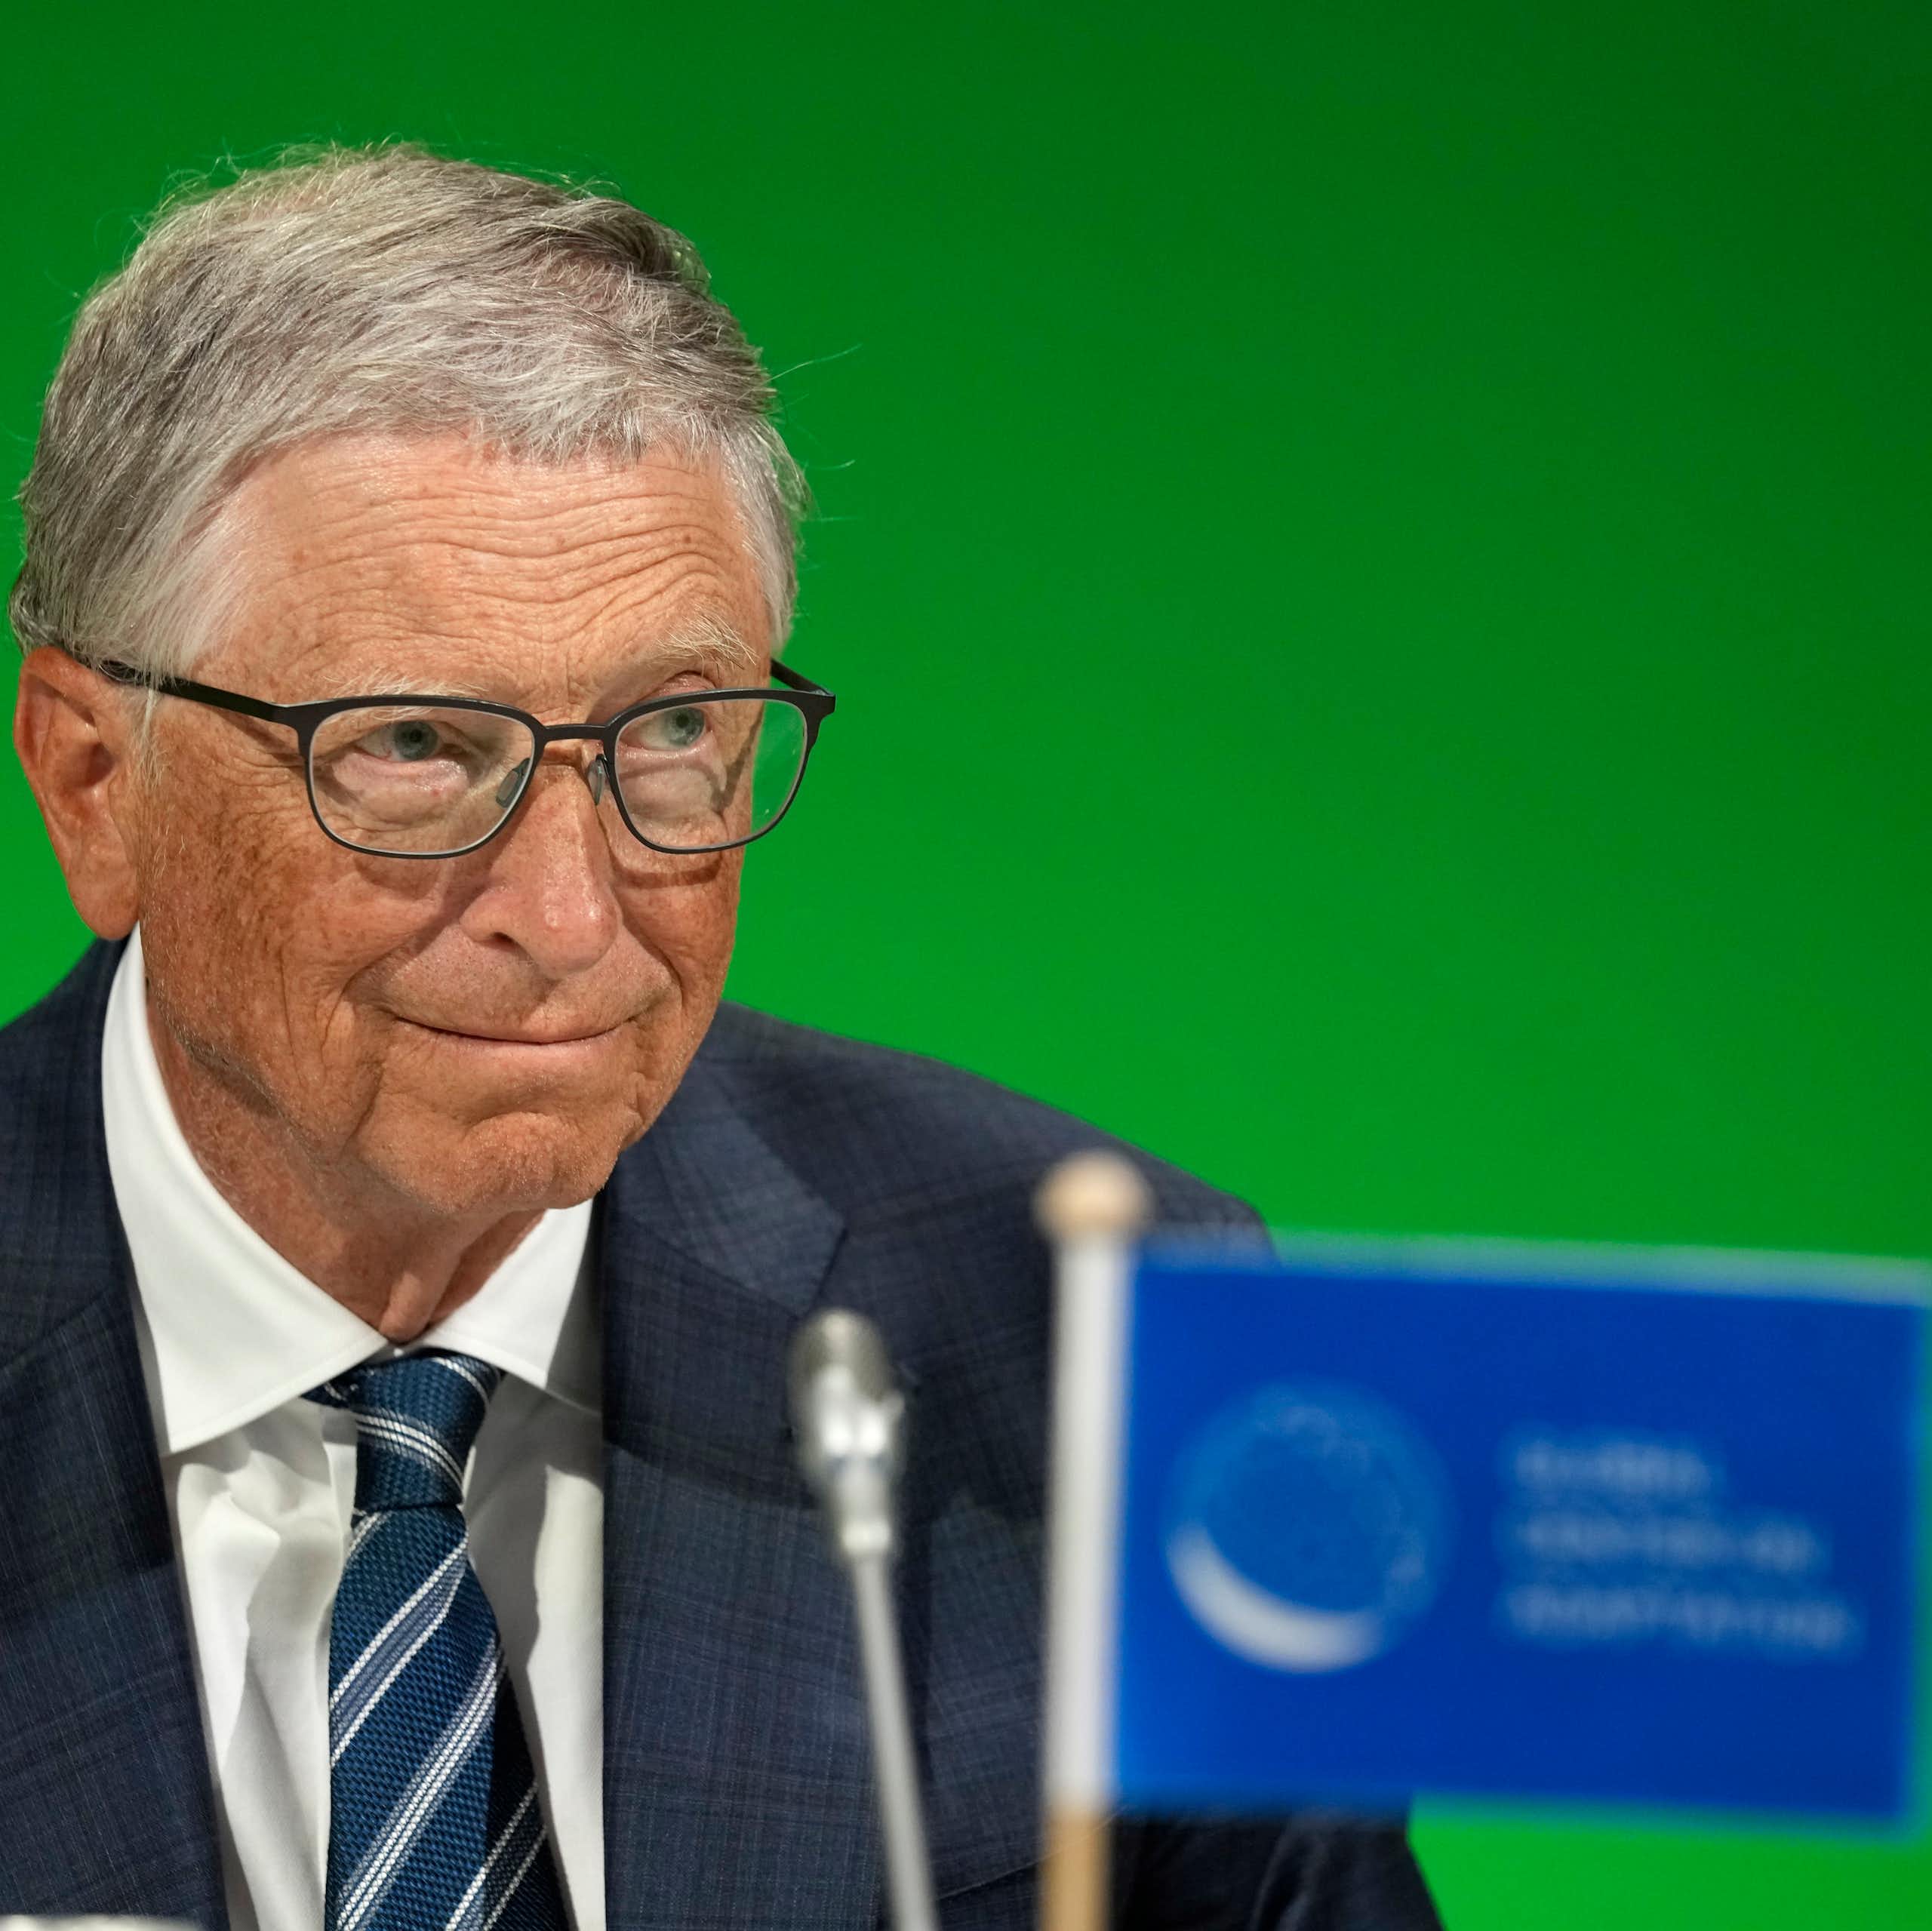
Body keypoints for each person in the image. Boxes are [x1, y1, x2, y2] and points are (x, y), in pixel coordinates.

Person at [0, 146, 1440, 1931]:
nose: (575, 912)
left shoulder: (1088, 1336)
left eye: (673, 730)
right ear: (92, 780)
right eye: (413, 750)